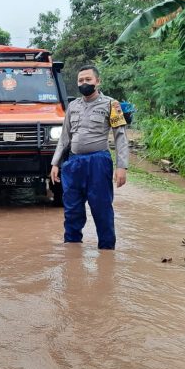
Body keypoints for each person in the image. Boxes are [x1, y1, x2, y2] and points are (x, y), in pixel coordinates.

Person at [49, 65, 129, 250]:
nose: (84, 83)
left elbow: (120, 136)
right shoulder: (73, 106)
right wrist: (56, 163)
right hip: (73, 164)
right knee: (72, 210)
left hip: (98, 162)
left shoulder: (112, 105)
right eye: (80, 80)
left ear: (97, 81)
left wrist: (121, 167)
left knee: (102, 209)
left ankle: (107, 251)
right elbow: (64, 137)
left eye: (88, 80)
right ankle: (72, 250)